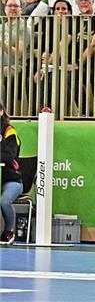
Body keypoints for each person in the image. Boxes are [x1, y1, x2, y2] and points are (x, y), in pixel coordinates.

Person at [0, 99, 22, 245]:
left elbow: (9, 156)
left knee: (4, 200)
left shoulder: (9, 131)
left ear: (1, 112)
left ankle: (9, 231)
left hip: (11, 180)